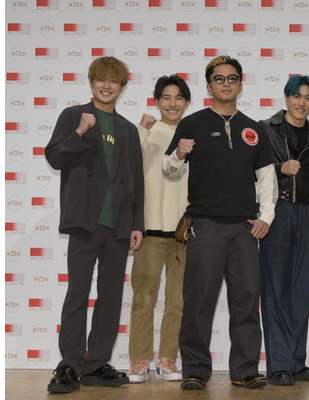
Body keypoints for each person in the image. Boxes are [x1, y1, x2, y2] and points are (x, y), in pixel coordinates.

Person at [162, 55, 278, 391]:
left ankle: (245, 370)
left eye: (232, 78)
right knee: (198, 302)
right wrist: (179, 154)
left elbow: (267, 180)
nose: (226, 84)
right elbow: (169, 170)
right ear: (209, 85)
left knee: (246, 303)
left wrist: (266, 218)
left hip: (244, 229)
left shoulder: (255, 129)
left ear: (241, 84)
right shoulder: (192, 124)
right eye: (219, 79)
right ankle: (195, 370)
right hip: (205, 225)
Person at [44, 56, 144, 393]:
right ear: (91, 82)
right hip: (85, 222)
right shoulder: (73, 116)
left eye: (113, 81)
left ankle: (97, 363)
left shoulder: (128, 129)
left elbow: (136, 180)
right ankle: (69, 364)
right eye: (101, 79)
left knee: (111, 296)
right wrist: (79, 132)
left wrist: (137, 223)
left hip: (119, 224)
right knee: (77, 292)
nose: (106, 86)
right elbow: (55, 157)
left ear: (122, 87)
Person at [258, 75, 309, 386]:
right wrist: (278, 169)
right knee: (276, 290)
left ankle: (297, 362)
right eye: (297, 96)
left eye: (308, 98)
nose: (302, 102)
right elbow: (246, 170)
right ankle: (280, 364)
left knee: (303, 291)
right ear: (286, 98)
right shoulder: (264, 130)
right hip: (278, 212)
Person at [127, 75, 191, 383]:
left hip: (183, 232)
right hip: (150, 229)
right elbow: (127, 168)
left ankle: (168, 360)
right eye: (166, 97)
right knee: (143, 298)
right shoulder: (146, 131)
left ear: (187, 102)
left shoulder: (195, 134)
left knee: (177, 301)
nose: (172, 103)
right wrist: (141, 129)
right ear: (157, 101)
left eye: (179, 97)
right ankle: (139, 361)